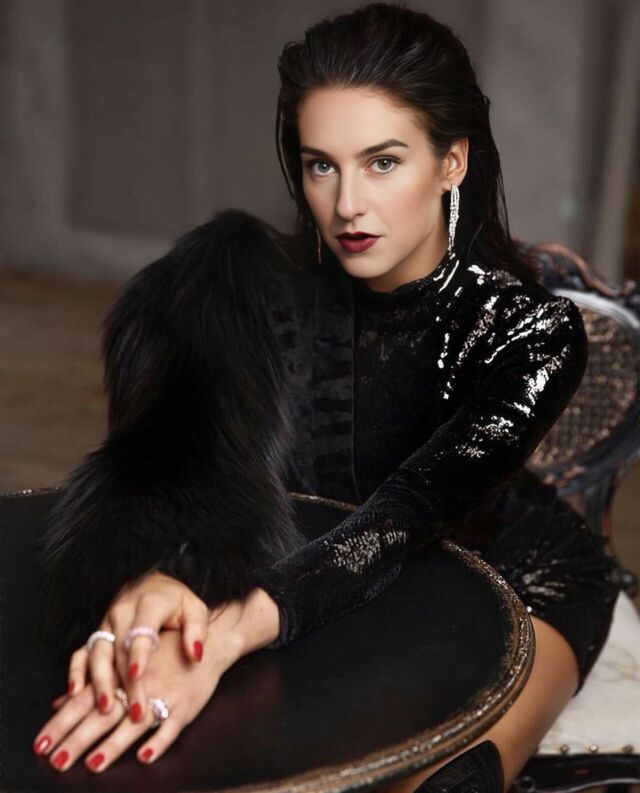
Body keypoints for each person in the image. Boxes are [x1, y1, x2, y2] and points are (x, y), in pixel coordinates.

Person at [31, 3, 621, 790]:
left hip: (501, 574)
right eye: (321, 166)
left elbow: (406, 514)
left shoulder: (529, 332)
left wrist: (232, 630)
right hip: (292, 580)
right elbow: (165, 464)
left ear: (452, 162)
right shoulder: (234, 289)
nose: (347, 205)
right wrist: (152, 574)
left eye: (383, 162)